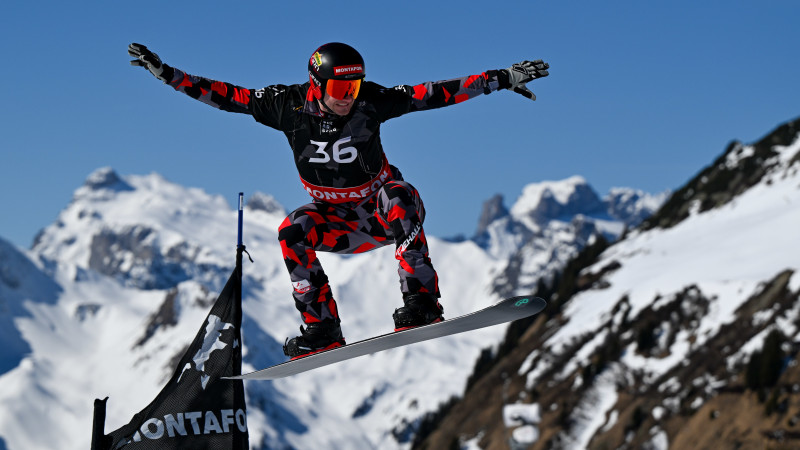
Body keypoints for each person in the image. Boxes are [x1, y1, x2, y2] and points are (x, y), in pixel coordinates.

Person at [128, 42, 549, 359]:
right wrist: (168, 74)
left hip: (382, 214)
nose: (349, 94)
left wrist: (501, 78)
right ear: (317, 83)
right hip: (337, 224)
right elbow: (225, 95)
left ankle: (421, 303)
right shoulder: (286, 105)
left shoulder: (370, 102)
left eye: (355, 84)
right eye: (341, 86)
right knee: (291, 230)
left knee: (399, 195)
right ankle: (323, 328)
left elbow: (435, 93)